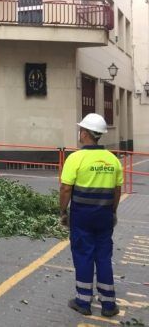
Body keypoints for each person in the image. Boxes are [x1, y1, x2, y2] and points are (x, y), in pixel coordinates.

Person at [59, 113, 122, 318]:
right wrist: (112, 212)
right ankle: (108, 304)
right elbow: (116, 191)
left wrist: (62, 212)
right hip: (104, 216)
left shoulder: (76, 158)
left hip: (82, 217)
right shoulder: (113, 160)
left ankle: (83, 301)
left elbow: (66, 189)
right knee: (103, 257)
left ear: (85, 133)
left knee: (84, 255)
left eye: (81, 129)